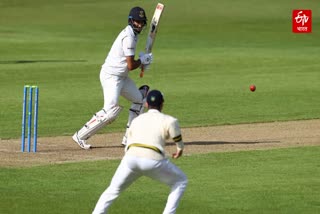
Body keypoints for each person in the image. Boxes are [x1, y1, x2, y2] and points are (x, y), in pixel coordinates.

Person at [92, 90, 188, 214]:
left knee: (113, 190)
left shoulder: (137, 120)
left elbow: (128, 142)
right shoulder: (169, 120)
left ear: (146, 104)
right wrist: (180, 149)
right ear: (162, 104)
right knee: (180, 181)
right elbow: (177, 137)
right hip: (153, 160)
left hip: (130, 159)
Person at [72, 6, 153, 149]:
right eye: (137, 22)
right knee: (111, 111)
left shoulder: (133, 35)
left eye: (141, 22)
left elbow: (128, 63)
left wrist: (141, 60)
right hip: (111, 77)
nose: (139, 25)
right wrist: (142, 60)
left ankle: (129, 138)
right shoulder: (129, 37)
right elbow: (130, 65)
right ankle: (80, 135)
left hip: (121, 77)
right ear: (131, 21)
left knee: (139, 101)